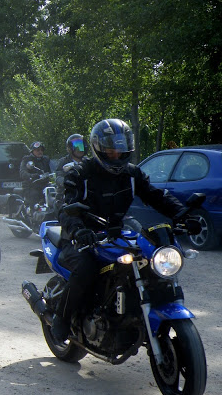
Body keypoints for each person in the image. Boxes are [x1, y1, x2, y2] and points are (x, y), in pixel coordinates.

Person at [51, 119, 201, 341]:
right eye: (111, 151)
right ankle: (61, 320)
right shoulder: (80, 174)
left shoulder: (132, 174)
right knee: (86, 269)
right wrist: (78, 230)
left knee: (148, 261)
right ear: (98, 148)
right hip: (82, 237)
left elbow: (156, 196)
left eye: (120, 151)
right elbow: (65, 208)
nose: (116, 156)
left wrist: (183, 215)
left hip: (116, 232)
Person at [55, 134, 87, 206]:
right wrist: (68, 182)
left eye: (82, 145)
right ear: (69, 148)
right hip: (67, 194)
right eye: (77, 146)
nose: (80, 149)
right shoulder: (63, 161)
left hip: (84, 193)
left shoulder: (87, 161)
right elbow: (58, 177)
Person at [19, 141, 51, 206]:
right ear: (32, 151)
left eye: (41, 150)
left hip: (44, 184)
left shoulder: (46, 159)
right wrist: (32, 176)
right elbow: (22, 172)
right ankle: (32, 210)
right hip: (31, 185)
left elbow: (52, 169)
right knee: (34, 194)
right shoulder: (27, 159)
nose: (40, 152)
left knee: (54, 192)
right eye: (37, 150)